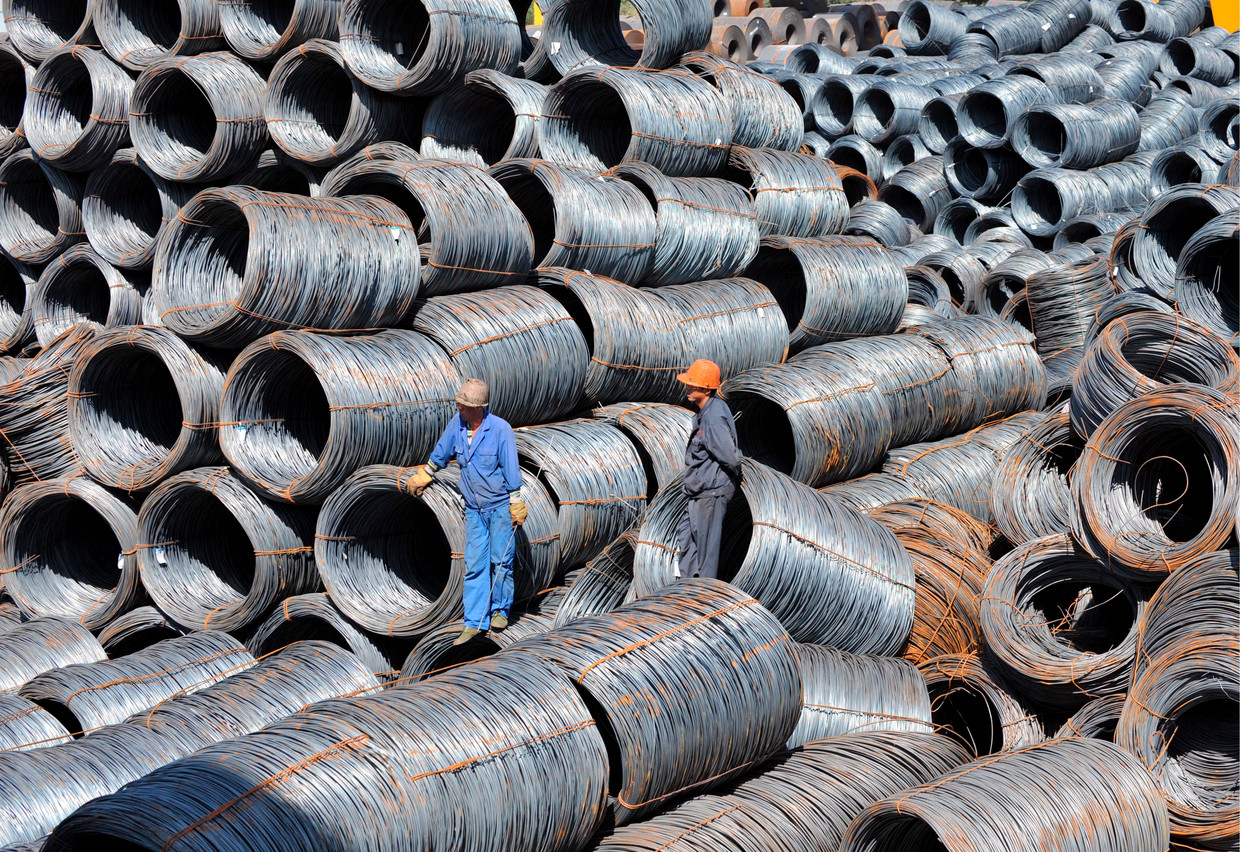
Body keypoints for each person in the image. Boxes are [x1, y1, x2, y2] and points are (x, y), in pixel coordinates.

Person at [409, 378, 527, 646]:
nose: (459, 407)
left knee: (500, 561)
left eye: (463, 405)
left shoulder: (500, 429)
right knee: (474, 565)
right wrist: (426, 474)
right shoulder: (458, 424)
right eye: (459, 403)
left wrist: (516, 502)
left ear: (478, 407)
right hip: (474, 509)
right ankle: (474, 622)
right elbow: (442, 451)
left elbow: (510, 466)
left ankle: (500, 610)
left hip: (498, 507)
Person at [676, 359, 742, 581]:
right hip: (698, 491)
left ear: (705, 389)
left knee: (706, 553)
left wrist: (732, 477)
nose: (687, 387)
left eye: (692, 383)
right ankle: (687, 587)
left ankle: (704, 593)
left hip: (711, 492)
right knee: (686, 538)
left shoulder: (713, 417)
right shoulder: (707, 412)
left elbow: (729, 457)